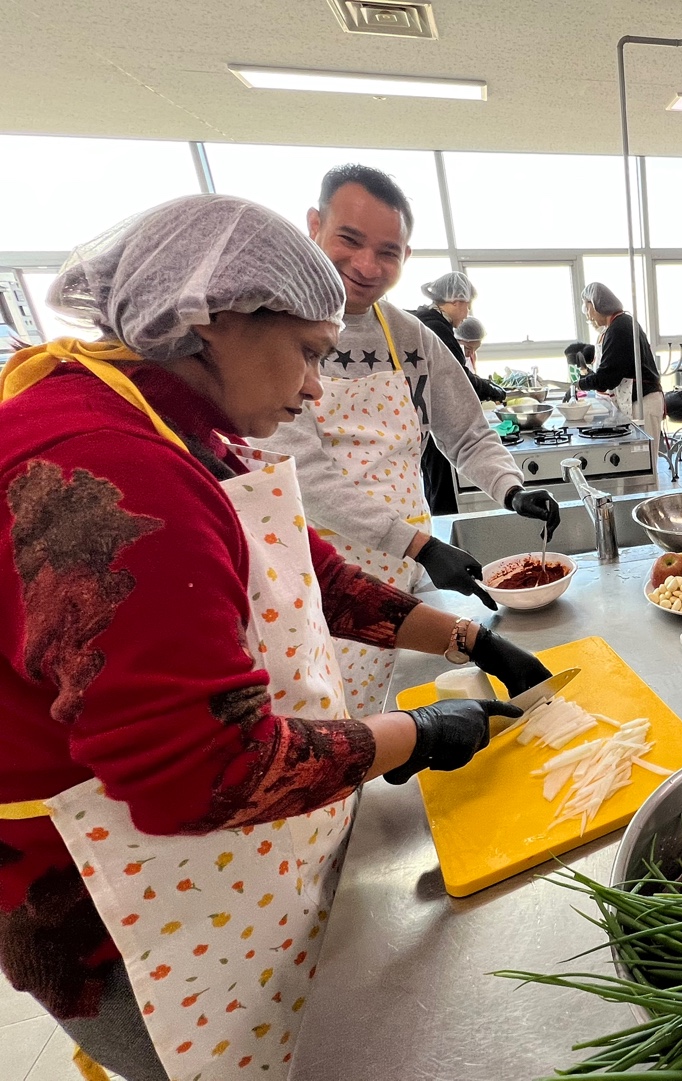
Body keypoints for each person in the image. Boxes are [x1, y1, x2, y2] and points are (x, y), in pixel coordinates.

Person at [0, 195, 549, 1081]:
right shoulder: (114, 468)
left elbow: (306, 567)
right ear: (210, 318)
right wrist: (415, 735)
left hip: (191, 866)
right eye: (306, 352)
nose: (313, 388)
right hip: (105, 907)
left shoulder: (166, 418)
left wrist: (464, 641)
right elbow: (204, 770)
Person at [258, 164, 560, 717]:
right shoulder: (275, 332)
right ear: (313, 226)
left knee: (393, 702)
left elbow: (466, 431)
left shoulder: (411, 338)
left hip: (409, 567)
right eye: (349, 240)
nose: (368, 266)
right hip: (324, 573)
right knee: (336, 714)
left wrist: (512, 490)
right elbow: (305, 476)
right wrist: (417, 544)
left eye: (389, 251)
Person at [412, 272, 508, 515]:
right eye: (467, 306)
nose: (467, 313)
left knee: (434, 486)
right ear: (456, 301)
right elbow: (459, 379)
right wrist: (490, 389)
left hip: (424, 421)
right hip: (437, 426)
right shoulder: (436, 328)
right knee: (443, 492)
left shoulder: (426, 322)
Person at [576, 282, 664, 451]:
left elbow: (607, 379)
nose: (588, 316)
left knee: (644, 468)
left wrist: (581, 383)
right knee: (637, 465)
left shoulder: (620, 328)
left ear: (595, 305)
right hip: (637, 401)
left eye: (587, 309)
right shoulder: (618, 325)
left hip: (643, 403)